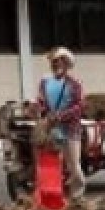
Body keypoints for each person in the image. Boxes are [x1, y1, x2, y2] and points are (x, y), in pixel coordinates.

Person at [36, 47, 86, 200]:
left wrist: (62, 116)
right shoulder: (44, 82)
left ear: (67, 64)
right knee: (50, 162)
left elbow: (80, 105)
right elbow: (41, 101)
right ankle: (52, 193)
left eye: (59, 61)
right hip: (51, 128)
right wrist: (42, 111)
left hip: (71, 129)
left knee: (73, 165)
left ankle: (77, 195)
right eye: (53, 62)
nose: (56, 64)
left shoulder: (74, 83)